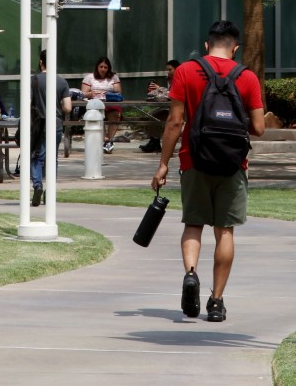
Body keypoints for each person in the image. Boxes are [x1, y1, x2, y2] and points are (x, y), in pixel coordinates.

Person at [150, 20, 266, 324]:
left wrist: (163, 163)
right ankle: (216, 301)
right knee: (224, 230)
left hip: (193, 160)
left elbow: (175, 122)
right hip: (232, 164)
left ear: (207, 44)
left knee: (193, 224)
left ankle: (191, 274)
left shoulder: (186, 71)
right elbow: (258, 128)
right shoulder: (248, 77)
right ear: (235, 47)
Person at [28, 51, 72, 208]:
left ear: (41, 62)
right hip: (56, 123)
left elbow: (28, 103)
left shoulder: (33, 81)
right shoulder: (62, 82)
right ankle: (50, 190)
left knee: (36, 156)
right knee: (52, 158)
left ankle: (38, 186)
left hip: (37, 123)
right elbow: (67, 107)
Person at [81, 56, 123, 154]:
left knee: (116, 114)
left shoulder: (113, 77)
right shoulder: (89, 77)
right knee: (97, 115)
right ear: (97, 67)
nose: (103, 69)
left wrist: (113, 87)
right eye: (101, 67)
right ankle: (104, 139)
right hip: (95, 103)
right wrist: (91, 94)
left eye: (105, 67)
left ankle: (109, 140)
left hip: (110, 103)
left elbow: (118, 92)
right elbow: (83, 93)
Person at [139, 59, 178, 153]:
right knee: (151, 115)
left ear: (177, 69)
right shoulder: (170, 79)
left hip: (178, 109)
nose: (168, 72)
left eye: (170, 70)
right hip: (169, 107)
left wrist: (159, 88)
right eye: (167, 70)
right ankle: (154, 142)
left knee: (154, 116)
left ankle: (155, 143)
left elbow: (173, 94)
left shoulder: (180, 78)